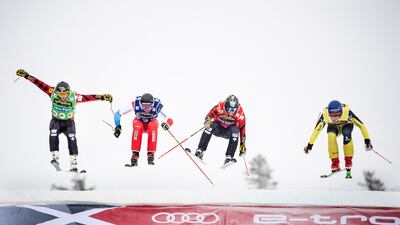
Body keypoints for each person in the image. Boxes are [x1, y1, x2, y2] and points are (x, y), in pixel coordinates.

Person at [15, 69, 113, 172]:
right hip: (56, 121)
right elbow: (39, 84)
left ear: (68, 92)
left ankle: (73, 164)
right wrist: (27, 76)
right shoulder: (52, 92)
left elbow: (88, 97)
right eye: (60, 95)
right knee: (53, 133)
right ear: (56, 92)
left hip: (68, 123)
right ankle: (55, 158)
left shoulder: (74, 97)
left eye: (64, 94)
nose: (62, 97)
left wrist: (102, 97)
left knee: (72, 138)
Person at [304, 100, 373, 178]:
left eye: (337, 114)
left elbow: (362, 126)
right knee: (331, 135)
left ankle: (348, 160)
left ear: (341, 111)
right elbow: (316, 131)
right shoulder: (325, 115)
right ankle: (335, 162)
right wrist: (310, 145)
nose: (335, 117)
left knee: (347, 133)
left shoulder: (347, 113)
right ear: (329, 113)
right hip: (333, 127)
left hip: (346, 125)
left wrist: (367, 141)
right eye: (332, 114)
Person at [113, 93, 173, 167]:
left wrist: (167, 124)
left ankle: (151, 154)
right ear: (140, 104)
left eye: (149, 106)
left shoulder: (157, 106)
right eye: (143, 105)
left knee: (152, 126)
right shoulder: (135, 104)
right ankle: (135, 154)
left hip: (151, 122)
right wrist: (118, 126)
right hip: (139, 121)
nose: (146, 109)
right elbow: (117, 114)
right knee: (138, 126)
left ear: (153, 104)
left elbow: (169, 119)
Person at [194, 95, 246, 166]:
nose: (231, 112)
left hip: (228, 132)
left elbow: (242, 129)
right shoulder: (219, 107)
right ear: (225, 105)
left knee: (235, 130)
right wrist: (208, 121)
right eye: (229, 109)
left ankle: (229, 157)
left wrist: (242, 146)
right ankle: (200, 150)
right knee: (210, 126)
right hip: (217, 129)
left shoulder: (240, 114)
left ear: (237, 108)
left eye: (233, 110)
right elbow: (210, 115)